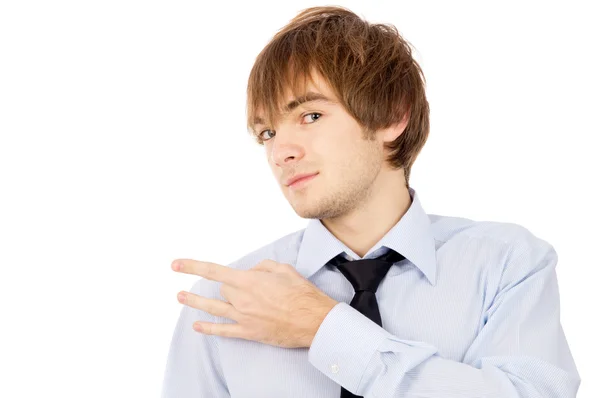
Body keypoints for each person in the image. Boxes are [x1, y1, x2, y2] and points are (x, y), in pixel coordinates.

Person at [161, 6, 581, 397]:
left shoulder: (506, 265)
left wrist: (325, 329)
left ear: (392, 116)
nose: (280, 152)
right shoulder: (225, 301)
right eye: (267, 133)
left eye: (310, 116)